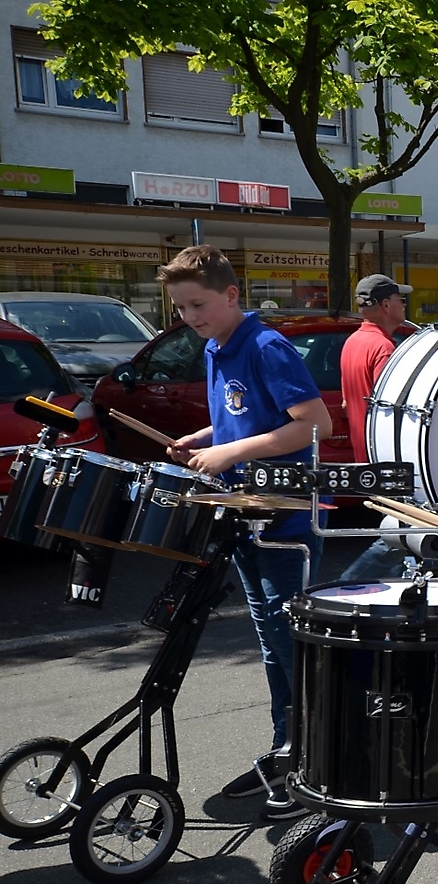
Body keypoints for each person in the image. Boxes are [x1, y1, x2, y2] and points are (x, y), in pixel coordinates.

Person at [159, 245, 332, 821]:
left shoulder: (265, 346)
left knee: (290, 643)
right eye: (181, 308)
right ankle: (288, 749)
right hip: (243, 513)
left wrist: (230, 451)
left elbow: (313, 424)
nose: (190, 317)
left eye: (198, 305)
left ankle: (314, 763)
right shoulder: (216, 346)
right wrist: (206, 438)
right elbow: (244, 418)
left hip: (286, 517)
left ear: (232, 295)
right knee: (270, 642)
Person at [337, 274, 413, 582]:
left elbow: (347, 404)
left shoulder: (352, 342)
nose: (403, 304)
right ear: (385, 305)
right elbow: (391, 410)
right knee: (402, 535)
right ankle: (348, 586)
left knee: (400, 541)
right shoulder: (383, 347)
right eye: (400, 299)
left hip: (365, 456)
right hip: (386, 460)